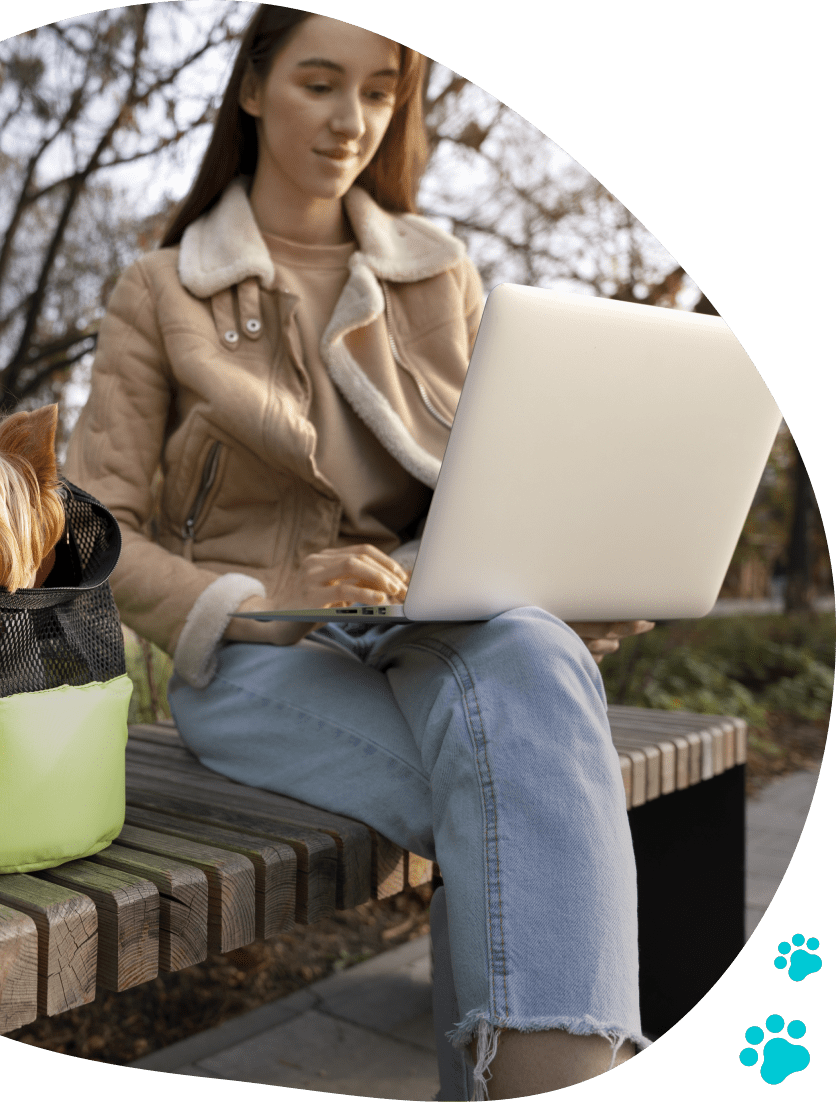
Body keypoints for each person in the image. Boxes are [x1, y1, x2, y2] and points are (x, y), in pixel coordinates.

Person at [65, 6, 653, 1098]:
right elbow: (92, 538)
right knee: (532, 800)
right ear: (251, 87)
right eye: (320, 83)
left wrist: (557, 573)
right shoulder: (161, 290)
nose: (353, 120)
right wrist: (256, 597)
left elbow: (494, 481)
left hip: (436, 628)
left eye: (381, 91)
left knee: (530, 663)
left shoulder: (442, 277)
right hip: (258, 656)